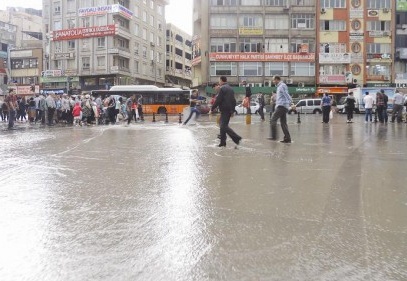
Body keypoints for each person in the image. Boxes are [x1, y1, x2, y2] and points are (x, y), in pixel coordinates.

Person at [210, 76, 242, 147]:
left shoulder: (222, 88)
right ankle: (222, 143)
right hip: (228, 110)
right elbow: (233, 100)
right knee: (222, 126)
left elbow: (218, 100)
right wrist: (232, 111)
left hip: (225, 110)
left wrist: (212, 109)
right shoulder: (231, 88)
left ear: (221, 80)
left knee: (223, 126)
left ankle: (236, 137)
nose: (219, 82)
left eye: (219, 81)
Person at [269, 75, 292, 143]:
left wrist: (291, 102)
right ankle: (287, 138)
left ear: (277, 79)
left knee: (273, 119)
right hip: (282, 106)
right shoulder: (279, 87)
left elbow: (286, 94)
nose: (273, 82)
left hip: (282, 106)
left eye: (273, 80)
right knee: (283, 123)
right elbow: (281, 97)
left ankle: (274, 136)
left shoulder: (282, 85)